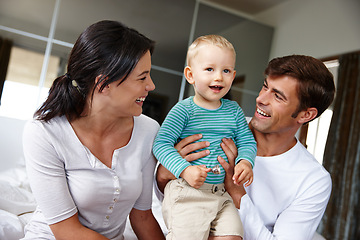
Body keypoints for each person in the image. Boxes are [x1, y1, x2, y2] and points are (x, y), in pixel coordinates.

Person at [156, 54, 335, 240]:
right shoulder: (213, 127)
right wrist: (163, 175)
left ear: (306, 115)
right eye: (265, 86)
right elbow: (154, 203)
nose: (261, 99)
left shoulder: (314, 180)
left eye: (278, 96)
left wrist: (237, 193)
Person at [22, 20, 165, 240]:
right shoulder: (44, 132)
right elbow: (66, 230)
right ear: (103, 84)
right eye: (142, 77)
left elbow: (142, 216)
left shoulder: (148, 130)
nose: (151, 86)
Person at [153, 35, 257, 240]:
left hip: (221, 195)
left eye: (226, 71)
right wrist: (185, 169)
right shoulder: (183, 110)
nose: (219, 77)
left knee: (233, 235)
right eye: (210, 69)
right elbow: (161, 144)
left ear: (233, 76)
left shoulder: (234, 111)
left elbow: (247, 141)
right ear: (190, 75)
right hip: (188, 193)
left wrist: (246, 161)